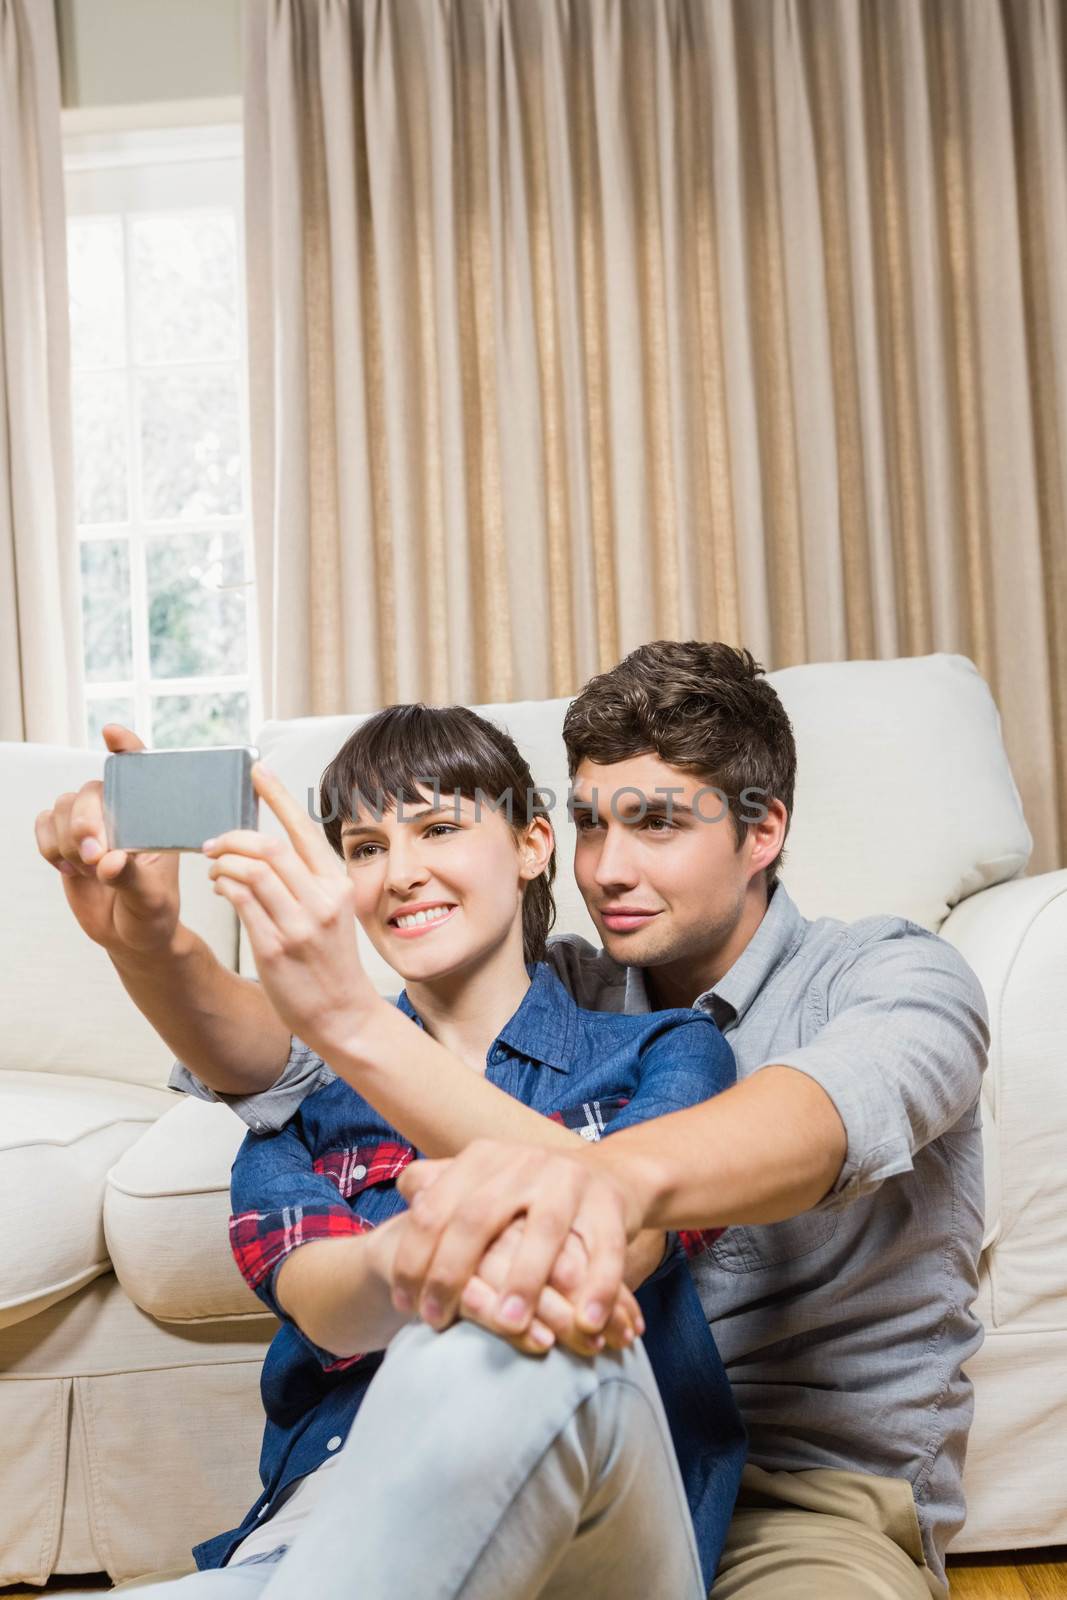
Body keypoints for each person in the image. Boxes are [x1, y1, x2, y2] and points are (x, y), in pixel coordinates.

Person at [36, 640, 989, 1600]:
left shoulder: (890, 980)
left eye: (655, 824)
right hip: (542, 1458)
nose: (608, 870)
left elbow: (802, 1128)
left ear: (761, 832)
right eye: (589, 823)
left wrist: (560, 1194)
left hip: (803, 1504)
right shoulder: (557, 988)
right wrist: (151, 943)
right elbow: (294, 1060)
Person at [52, 703, 746, 1599]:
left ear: (534, 843)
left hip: (590, 1542)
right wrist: (403, 1260)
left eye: (439, 829)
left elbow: (631, 1232)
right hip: (310, 1545)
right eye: (366, 847)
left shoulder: (663, 1053)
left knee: (505, 1341)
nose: (401, 874)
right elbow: (321, 1305)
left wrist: (456, 1276)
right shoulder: (305, 1104)